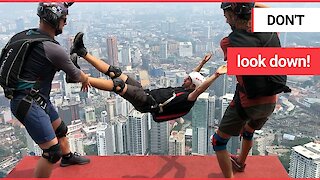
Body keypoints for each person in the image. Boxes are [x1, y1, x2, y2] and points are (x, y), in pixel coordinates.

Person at [9, 3, 90, 178]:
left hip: (35, 99)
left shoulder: (28, 36)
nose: (65, 24)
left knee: (60, 129)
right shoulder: (53, 49)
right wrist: (85, 79)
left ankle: (67, 157)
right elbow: (77, 75)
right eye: (64, 20)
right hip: (28, 104)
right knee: (52, 153)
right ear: (55, 20)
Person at [69, 32, 227, 122]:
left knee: (118, 85)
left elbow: (201, 87)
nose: (185, 78)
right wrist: (202, 63)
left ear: (193, 86)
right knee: (115, 72)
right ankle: (81, 51)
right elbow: (194, 77)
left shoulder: (189, 98)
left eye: (188, 79)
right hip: (145, 92)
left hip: (146, 102)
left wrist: (216, 75)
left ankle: (76, 77)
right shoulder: (186, 87)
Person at [211, 3, 280, 178]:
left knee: (218, 142)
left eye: (227, 16)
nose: (226, 20)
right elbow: (273, 12)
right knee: (249, 130)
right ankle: (240, 162)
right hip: (271, 101)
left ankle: (230, 177)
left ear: (234, 16)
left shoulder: (228, 43)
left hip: (247, 103)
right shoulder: (271, 33)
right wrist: (250, 4)